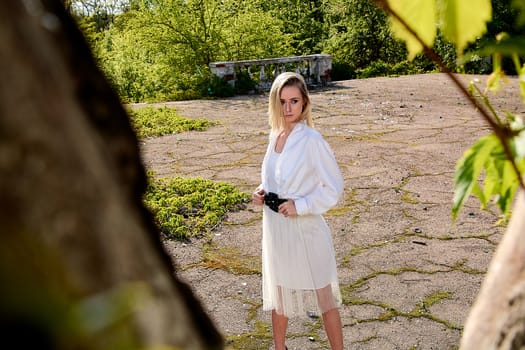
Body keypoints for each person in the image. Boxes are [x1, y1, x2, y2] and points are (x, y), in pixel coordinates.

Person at [252, 72, 344, 350]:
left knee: (324, 295)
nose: (288, 108)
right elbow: (275, 178)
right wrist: (261, 191)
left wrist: (300, 206)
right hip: (277, 229)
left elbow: (333, 187)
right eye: (282, 101)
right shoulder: (275, 135)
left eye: (294, 101)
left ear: (304, 102)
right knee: (278, 294)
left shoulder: (311, 140)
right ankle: (280, 348)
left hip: (306, 230)